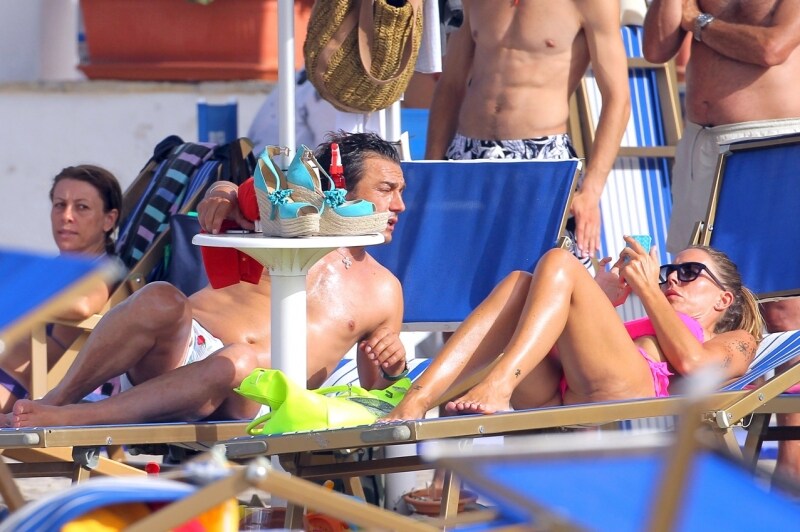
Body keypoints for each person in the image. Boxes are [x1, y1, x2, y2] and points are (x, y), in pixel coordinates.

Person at [8, 132, 408, 428]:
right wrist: (222, 191)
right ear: (340, 187)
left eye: (400, 191)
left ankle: (82, 418)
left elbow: (374, 394)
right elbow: (236, 191)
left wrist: (393, 366)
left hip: (252, 393)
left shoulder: (384, 290)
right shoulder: (280, 220)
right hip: (178, 352)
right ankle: (55, 401)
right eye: (387, 190)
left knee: (239, 359)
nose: (399, 205)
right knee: (160, 296)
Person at [643, 0, 800, 483]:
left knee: (784, 309)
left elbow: (773, 48)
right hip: (701, 143)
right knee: (694, 297)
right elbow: (655, 49)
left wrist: (697, 22)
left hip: (771, 142)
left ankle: (792, 462)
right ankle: (706, 449)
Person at [385, 239, 761, 420]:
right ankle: (417, 400)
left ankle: (499, 384)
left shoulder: (737, 341)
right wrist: (592, 298)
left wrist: (648, 289)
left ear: (723, 299)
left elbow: (694, 364)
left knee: (561, 261)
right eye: (669, 272)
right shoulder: (651, 320)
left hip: (631, 395)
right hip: (562, 391)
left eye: (690, 273)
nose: (673, 278)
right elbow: (553, 345)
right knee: (519, 283)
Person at [425, 0, 631, 261]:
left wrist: (591, 191)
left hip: (540, 156)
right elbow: (450, 86)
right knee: (455, 264)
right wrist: (431, 167)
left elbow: (618, 100)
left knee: (541, 274)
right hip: (467, 153)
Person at [0, 165, 122, 412]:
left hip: (20, 387)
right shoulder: (58, 268)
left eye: (81, 207)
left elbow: (83, 305)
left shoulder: (100, 272)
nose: (66, 216)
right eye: (59, 205)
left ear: (109, 220)